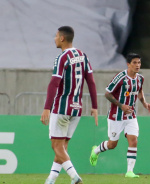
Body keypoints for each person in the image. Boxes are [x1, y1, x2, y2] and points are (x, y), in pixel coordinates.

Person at [40, 26, 98, 184]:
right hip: (77, 109)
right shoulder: (82, 55)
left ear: (62, 38)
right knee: (62, 147)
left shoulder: (62, 58)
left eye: (56, 36)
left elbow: (54, 83)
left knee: (56, 146)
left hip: (61, 107)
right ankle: (51, 180)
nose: (54, 38)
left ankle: (75, 177)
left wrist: (46, 107)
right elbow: (91, 81)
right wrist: (94, 106)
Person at [89, 53, 150, 178]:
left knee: (133, 140)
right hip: (116, 116)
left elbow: (139, 91)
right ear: (128, 64)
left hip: (131, 116)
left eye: (139, 63)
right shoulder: (121, 77)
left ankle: (129, 171)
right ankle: (96, 150)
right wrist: (121, 106)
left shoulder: (140, 78)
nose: (137, 65)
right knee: (112, 144)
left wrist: (144, 103)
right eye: (134, 63)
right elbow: (107, 93)